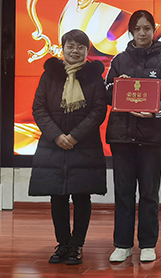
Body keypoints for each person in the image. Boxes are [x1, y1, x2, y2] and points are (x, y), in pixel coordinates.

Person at [105, 10, 161, 263]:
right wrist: (119, 86)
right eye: (137, 29)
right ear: (130, 32)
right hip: (121, 137)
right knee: (123, 192)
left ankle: (148, 244)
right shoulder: (119, 60)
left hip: (151, 138)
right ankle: (122, 244)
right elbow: (106, 92)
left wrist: (154, 111)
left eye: (147, 28)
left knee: (149, 193)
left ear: (153, 31)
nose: (142, 33)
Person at [29, 29, 107, 265]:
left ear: (86, 51)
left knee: (82, 196)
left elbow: (98, 111)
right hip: (53, 146)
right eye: (70, 46)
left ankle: (77, 245)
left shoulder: (94, 77)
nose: (75, 51)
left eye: (80, 47)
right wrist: (57, 136)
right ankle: (63, 243)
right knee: (58, 196)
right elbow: (39, 108)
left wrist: (74, 136)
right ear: (63, 48)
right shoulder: (50, 75)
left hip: (84, 145)